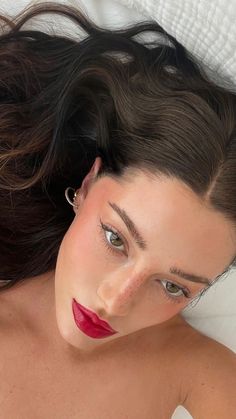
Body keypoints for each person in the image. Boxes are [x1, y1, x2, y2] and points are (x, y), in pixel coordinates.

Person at [0, 2, 235, 418]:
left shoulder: (200, 371)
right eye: (115, 239)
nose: (115, 301)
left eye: (173, 286)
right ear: (88, 185)